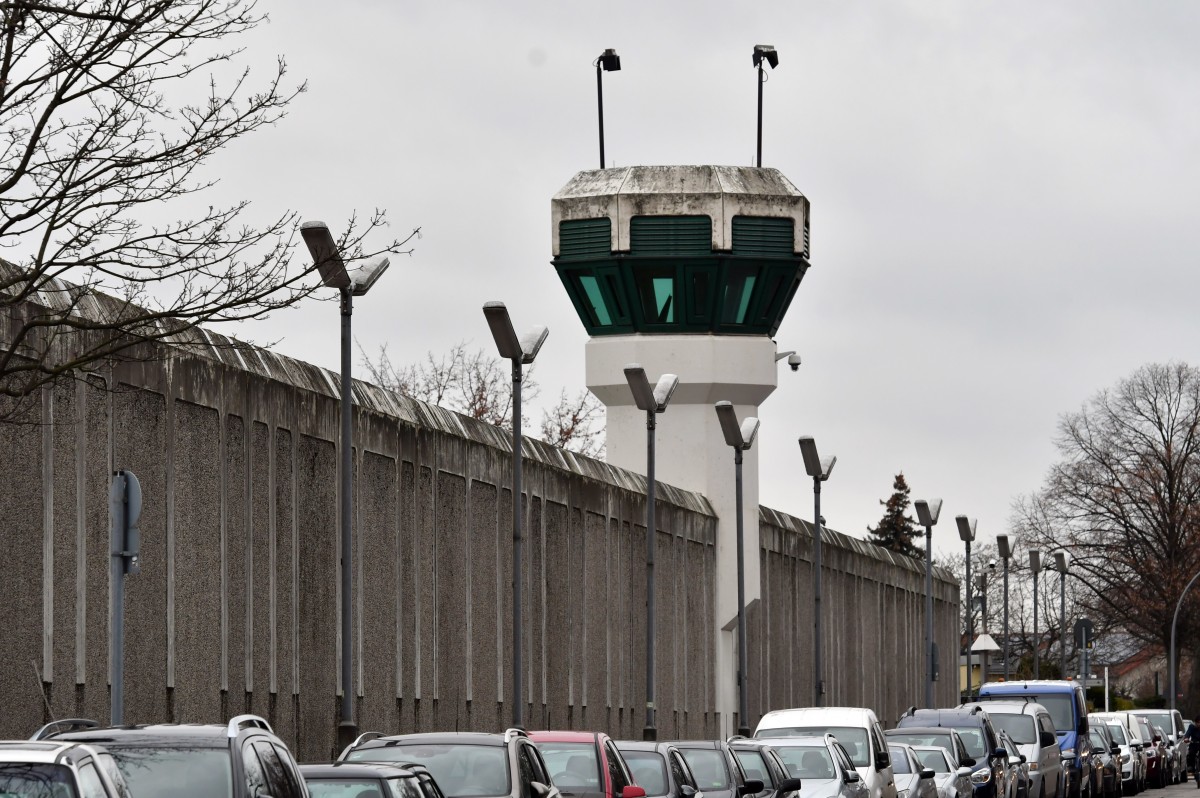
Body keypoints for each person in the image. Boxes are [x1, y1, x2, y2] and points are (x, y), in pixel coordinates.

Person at [1185, 716, 1200, 788]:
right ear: (1195, 722)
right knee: (1190, 754)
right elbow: (1188, 733)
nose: (1199, 725)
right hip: (1194, 744)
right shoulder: (1191, 727)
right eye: (1198, 723)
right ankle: (1191, 767)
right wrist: (1186, 738)